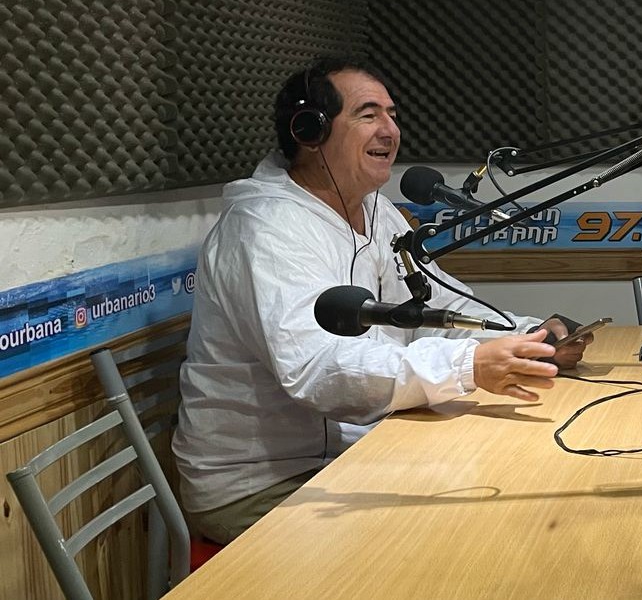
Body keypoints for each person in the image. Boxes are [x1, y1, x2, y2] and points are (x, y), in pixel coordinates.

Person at [173, 56, 589, 544]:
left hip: (356, 449)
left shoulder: (375, 209)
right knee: (461, 535)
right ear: (309, 131)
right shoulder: (265, 229)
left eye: (392, 114)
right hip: (263, 484)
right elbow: (316, 370)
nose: (390, 131)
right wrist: (467, 365)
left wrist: (527, 337)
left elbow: (438, 305)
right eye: (368, 115)